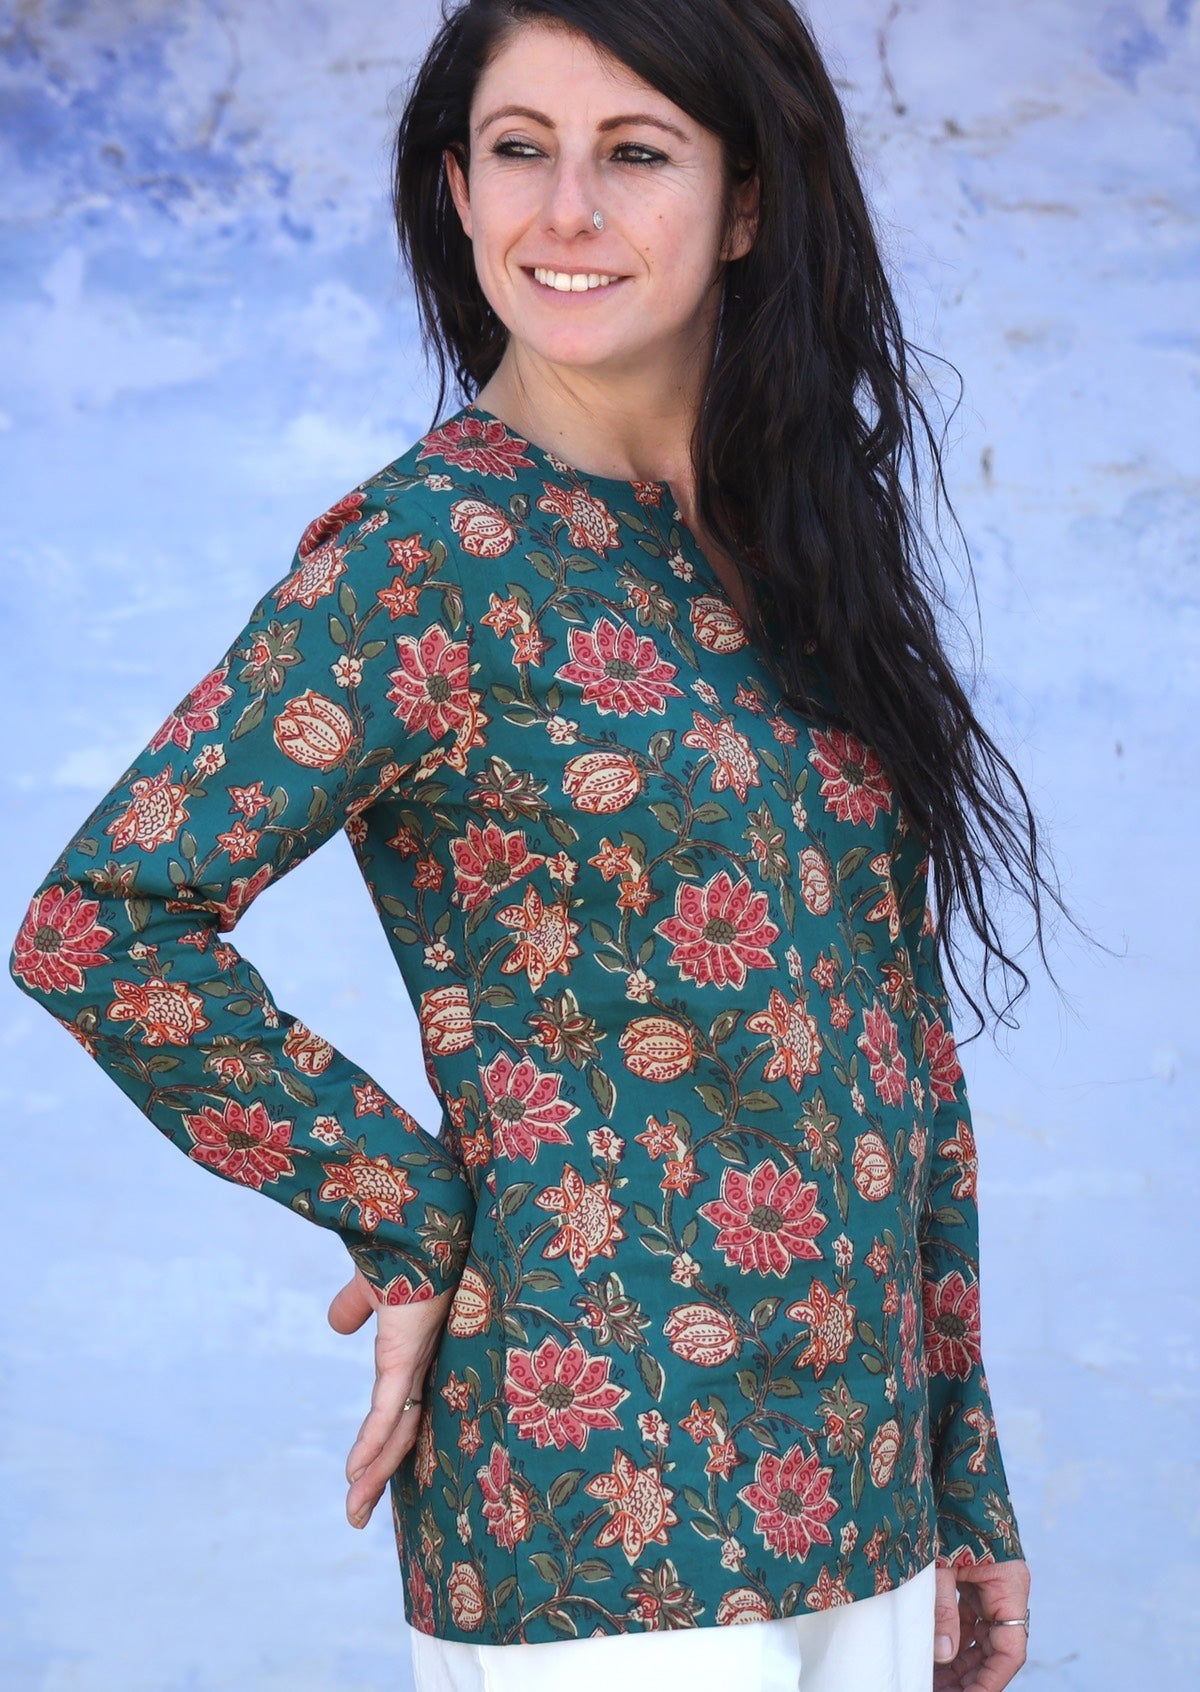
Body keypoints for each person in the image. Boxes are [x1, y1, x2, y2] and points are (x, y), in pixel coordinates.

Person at [10, 1, 1053, 1687]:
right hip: (592, 1510)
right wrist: (401, 1208)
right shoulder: (428, 557)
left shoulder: (794, 554)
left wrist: (966, 1481)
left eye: (633, 152)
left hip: (857, 1501)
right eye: (519, 151)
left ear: (746, 202)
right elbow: (100, 923)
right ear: (458, 188)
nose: (564, 209)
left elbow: (894, 1042)